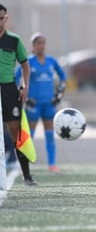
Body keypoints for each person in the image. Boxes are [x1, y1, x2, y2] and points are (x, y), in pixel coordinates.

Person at [16, 32, 66, 173]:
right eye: (38, 43)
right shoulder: (28, 62)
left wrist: (59, 93)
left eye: (43, 42)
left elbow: (63, 77)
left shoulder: (51, 61)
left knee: (50, 135)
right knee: (29, 135)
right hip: (33, 104)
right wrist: (22, 93)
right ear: (33, 45)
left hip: (49, 104)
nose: (41, 46)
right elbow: (16, 77)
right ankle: (25, 165)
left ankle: (52, 164)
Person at [0, 3, 35, 185]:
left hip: (8, 89)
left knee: (15, 131)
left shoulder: (14, 40)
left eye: (1, 18)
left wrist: (25, 86)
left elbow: (25, 65)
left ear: (6, 18)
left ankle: (27, 175)